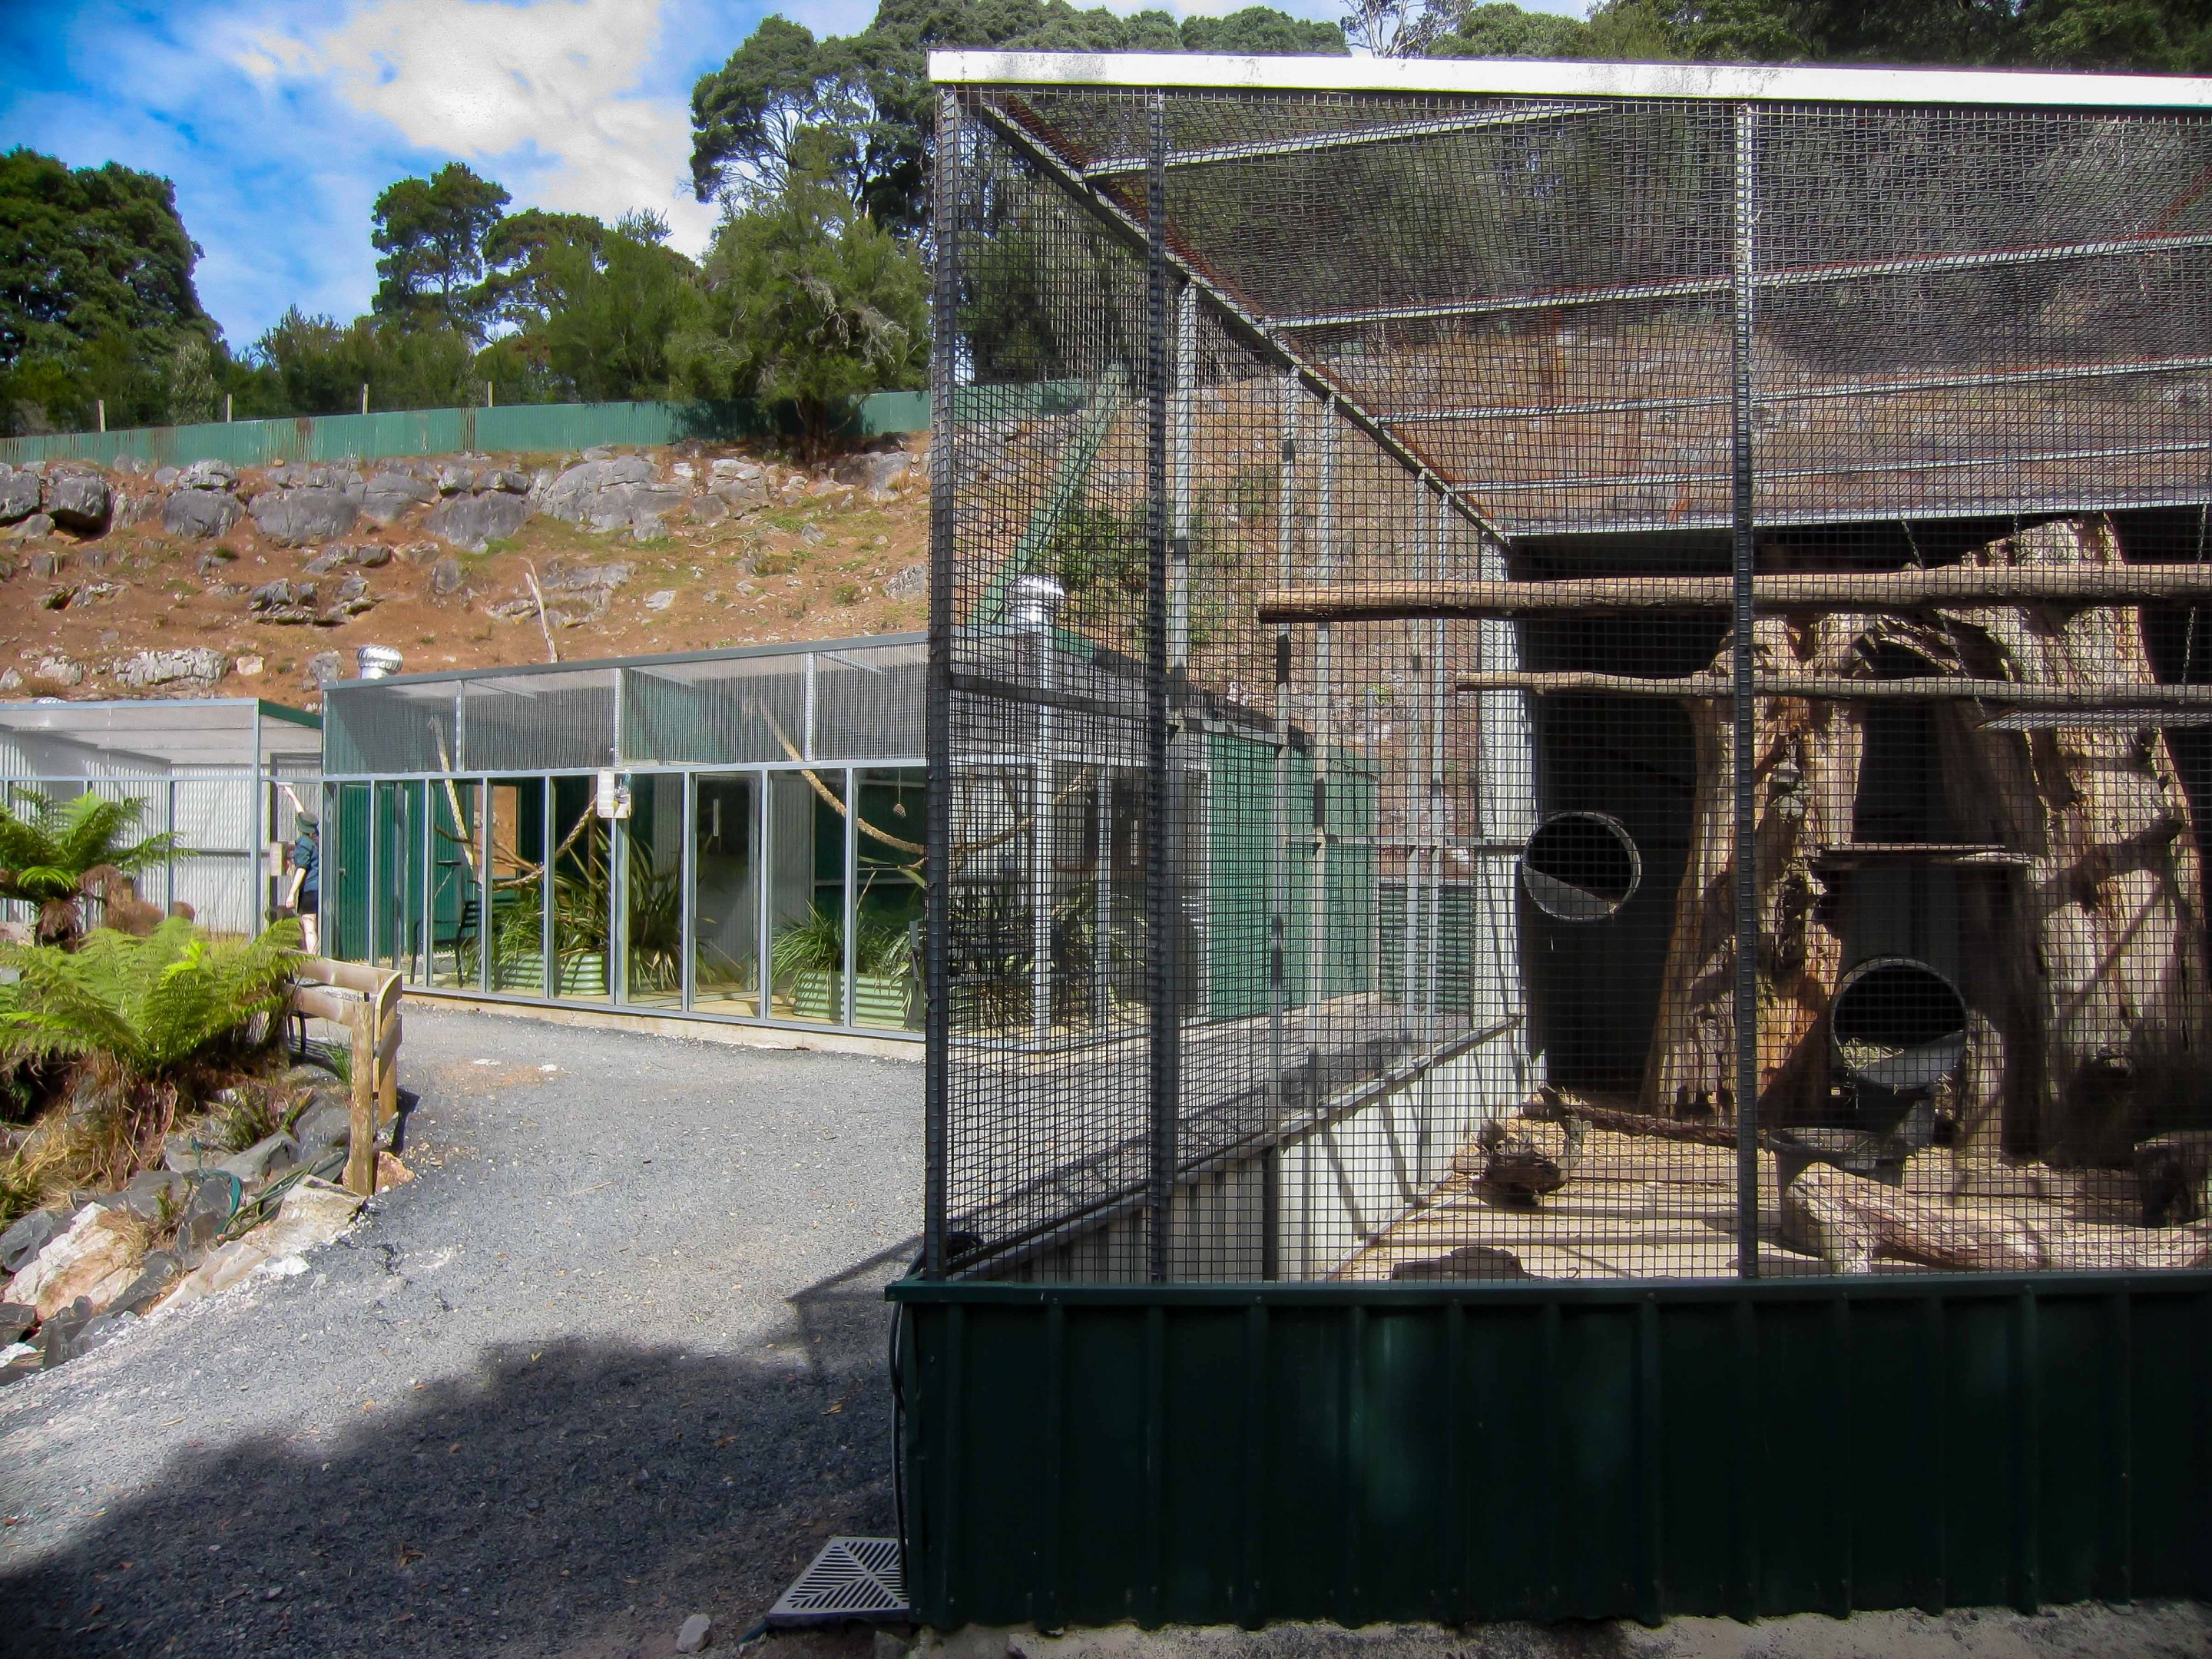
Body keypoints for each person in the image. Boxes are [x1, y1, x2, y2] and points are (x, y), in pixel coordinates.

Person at [289, 813, 321, 954]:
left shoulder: (304, 844)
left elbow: (301, 870)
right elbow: (303, 813)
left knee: (309, 928)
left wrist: (291, 894)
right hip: (319, 889)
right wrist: (291, 795)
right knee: (317, 926)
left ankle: (313, 960)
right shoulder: (316, 841)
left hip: (308, 891)